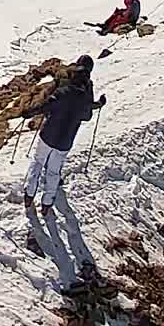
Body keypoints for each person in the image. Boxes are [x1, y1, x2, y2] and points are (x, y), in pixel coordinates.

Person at [20, 56, 104, 210]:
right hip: (65, 141)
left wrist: (28, 113)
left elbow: (46, 106)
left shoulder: (63, 91)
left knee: (38, 162)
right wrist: (99, 103)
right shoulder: (85, 98)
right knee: (53, 170)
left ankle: (29, 195)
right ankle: (47, 203)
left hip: (48, 134)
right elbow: (87, 115)